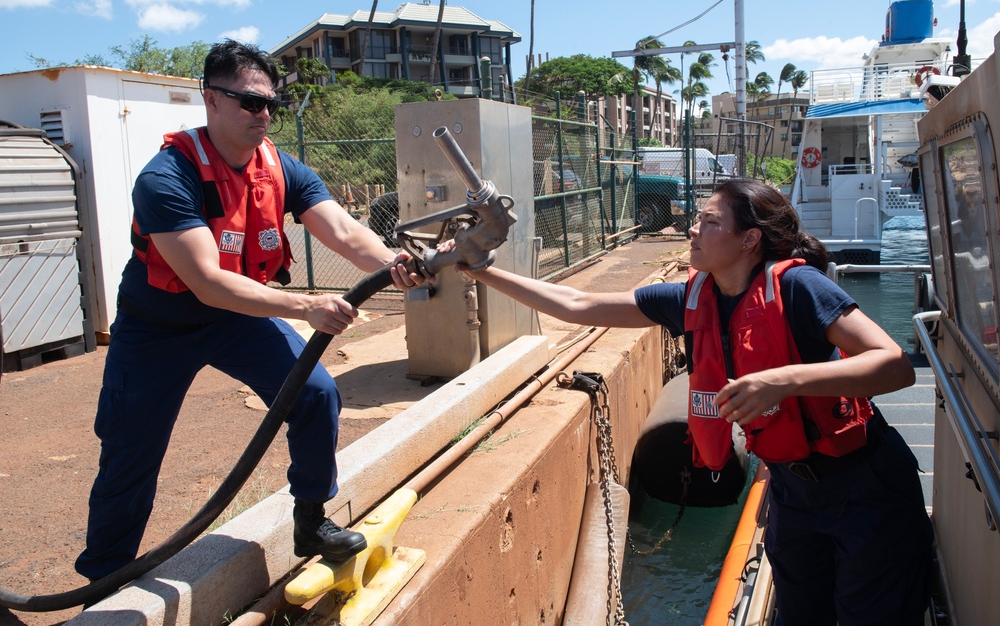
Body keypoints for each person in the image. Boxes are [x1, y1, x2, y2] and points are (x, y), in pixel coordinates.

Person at [458, 179, 933, 625]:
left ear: (749, 240)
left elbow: (893, 364)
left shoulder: (799, 288)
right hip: (793, 492)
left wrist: (784, 381)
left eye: (709, 221)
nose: (692, 227)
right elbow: (576, 304)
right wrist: (481, 270)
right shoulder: (690, 298)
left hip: (865, 486)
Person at [75, 40, 427, 581]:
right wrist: (304, 305)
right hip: (157, 327)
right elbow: (208, 281)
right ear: (210, 99)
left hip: (235, 319)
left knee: (315, 394)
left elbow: (344, 231)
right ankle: (105, 578)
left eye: (270, 105)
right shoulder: (166, 178)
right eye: (248, 102)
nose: (262, 115)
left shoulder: (282, 169)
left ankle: (311, 519)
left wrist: (393, 262)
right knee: (130, 449)